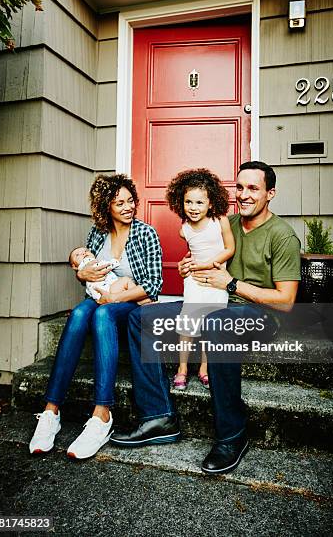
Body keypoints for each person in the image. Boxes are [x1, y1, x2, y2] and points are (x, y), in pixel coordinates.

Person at [110, 161, 301, 475]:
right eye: (240, 187)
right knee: (139, 317)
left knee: (216, 325)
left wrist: (232, 284)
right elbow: (201, 253)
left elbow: (286, 301)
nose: (245, 194)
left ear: (271, 193)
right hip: (213, 299)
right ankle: (158, 415)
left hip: (257, 313)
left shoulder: (281, 235)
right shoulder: (224, 221)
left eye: (254, 188)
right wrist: (188, 265)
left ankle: (232, 435)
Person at [29, 174, 162, 460]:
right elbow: (86, 273)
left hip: (130, 303)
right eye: (119, 203)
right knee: (79, 313)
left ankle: (102, 414)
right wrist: (81, 273)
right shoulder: (97, 233)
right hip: (99, 297)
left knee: (102, 314)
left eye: (130, 201)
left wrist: (113, 298)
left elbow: (153, 284)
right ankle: (51, 411)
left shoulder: (146, 233)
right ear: (106, 207)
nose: (128, 207)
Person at [165, 169, 235, 390]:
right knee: (188, 323)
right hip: (195, 281)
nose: (193, 208)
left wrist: (208, 264)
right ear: (181, 202)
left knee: (210, 324)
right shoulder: (184, 229)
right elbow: (191, 253)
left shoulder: (220, 221)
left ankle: (205, 368)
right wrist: (191, 266)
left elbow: (230, 249)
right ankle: (182, 368)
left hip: (216, 280)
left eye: (199, 203)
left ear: (211, 204)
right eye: (188, 202)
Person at [69, 246, 151, 305]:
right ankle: (139, 299)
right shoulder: (89, 262)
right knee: (125, 280)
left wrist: (97, 297)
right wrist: (115, 261)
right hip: (109, 290)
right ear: (74, 266)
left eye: (86, 251)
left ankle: (137, 299)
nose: (83, 253)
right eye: (77, 255)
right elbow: (105, 266)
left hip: (100, 295)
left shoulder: (87, 265)